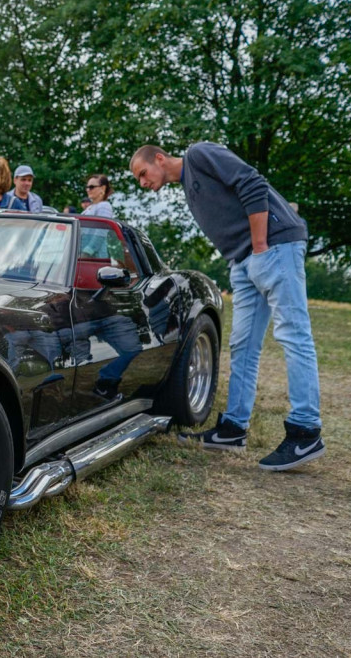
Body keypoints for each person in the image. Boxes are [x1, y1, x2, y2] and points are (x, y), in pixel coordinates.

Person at [130, 143, 323, 471]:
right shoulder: (188, 185)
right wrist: (246, 258)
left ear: (159, 158)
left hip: (273, 247)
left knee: (293, 334)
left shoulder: (199, 154)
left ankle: (306, 431)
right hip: (244, 260)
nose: (143, 183)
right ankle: (233, 429)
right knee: (242, 345)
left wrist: (260, 247)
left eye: (143, 174)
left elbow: (253, 183)